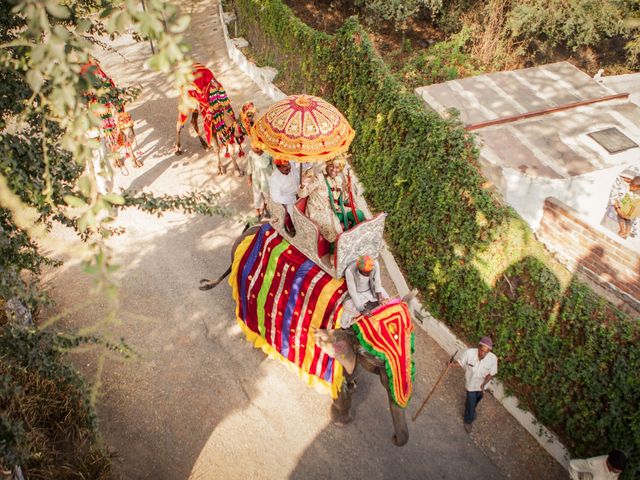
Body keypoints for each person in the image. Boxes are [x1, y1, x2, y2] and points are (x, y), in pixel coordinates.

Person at [450, 336, 498, 433]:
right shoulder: (469, 353)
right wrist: (451, 365)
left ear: (489, 351)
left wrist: (483, 384)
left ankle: (470, 408)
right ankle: (468, 420)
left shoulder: (493, 359)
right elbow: (460, 363)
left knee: (477, 400)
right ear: (478, 347)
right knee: (471, 402)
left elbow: (491, 374)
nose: (483, 353)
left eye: (486, 352)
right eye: (481, 350)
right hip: (471, 384)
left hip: (482, 386)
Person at [297, 158, 348, 243]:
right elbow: (302, 194)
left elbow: (341, 199)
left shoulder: (338, 180)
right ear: (327, 165)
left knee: (359, 214)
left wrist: (346, 190)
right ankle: (335, 253)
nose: (334, 170)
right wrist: (303, 186)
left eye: (337, 167)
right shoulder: (319, 177)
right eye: (331, 166)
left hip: (332, 209)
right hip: (317, 212)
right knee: (336, 233)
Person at [341, 255, 389, 328]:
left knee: (385, 299)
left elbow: (377, 281)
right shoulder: (349, 271)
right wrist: (362, 309)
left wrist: (380, 298)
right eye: (365, 273)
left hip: (371, 289)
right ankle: (345, 327)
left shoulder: (375, 264)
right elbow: (352, 292)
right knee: (348, 306)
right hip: (358, 293)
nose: (368, 275)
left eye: (369, 272)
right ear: (359, 269)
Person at [268, 158, 300, 232]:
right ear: (278, 168)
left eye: (288, 164)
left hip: (301, 191)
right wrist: (294, 198)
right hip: (290, 200)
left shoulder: (292, 163)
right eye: (285, 166)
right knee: (294, 213)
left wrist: (305, 160)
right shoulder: (274, 179)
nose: (288, 167)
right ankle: (298, 231)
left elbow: (305, 165)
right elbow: (276, 197)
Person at [246, 145, 272, 218]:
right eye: (252, 147)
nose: (253, 149)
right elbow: (249, 166)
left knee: (267, 195)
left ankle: (265, 207)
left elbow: (273, 166)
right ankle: (257, 210)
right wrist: (249, 178)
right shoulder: (251, 154)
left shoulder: (268, 153)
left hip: (266, 179)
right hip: (256, 179)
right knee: (257, 195)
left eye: (256, 148)